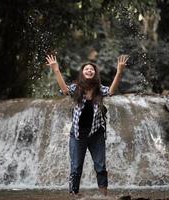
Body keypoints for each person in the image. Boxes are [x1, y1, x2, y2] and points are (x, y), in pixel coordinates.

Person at [46, 54, 129, 196]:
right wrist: (56, 69)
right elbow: (65, 90)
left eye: (92, 69)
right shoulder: (76, 88)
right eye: (86, 69)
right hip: (78, 134)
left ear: (95, 73)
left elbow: (111, 91)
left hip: (96, 134)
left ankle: (104, 196)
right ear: (82, 73)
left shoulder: (99, 89)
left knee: (101, 167)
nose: (89, 70)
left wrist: (119, 72)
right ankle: (74, 196)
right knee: (76, 168)